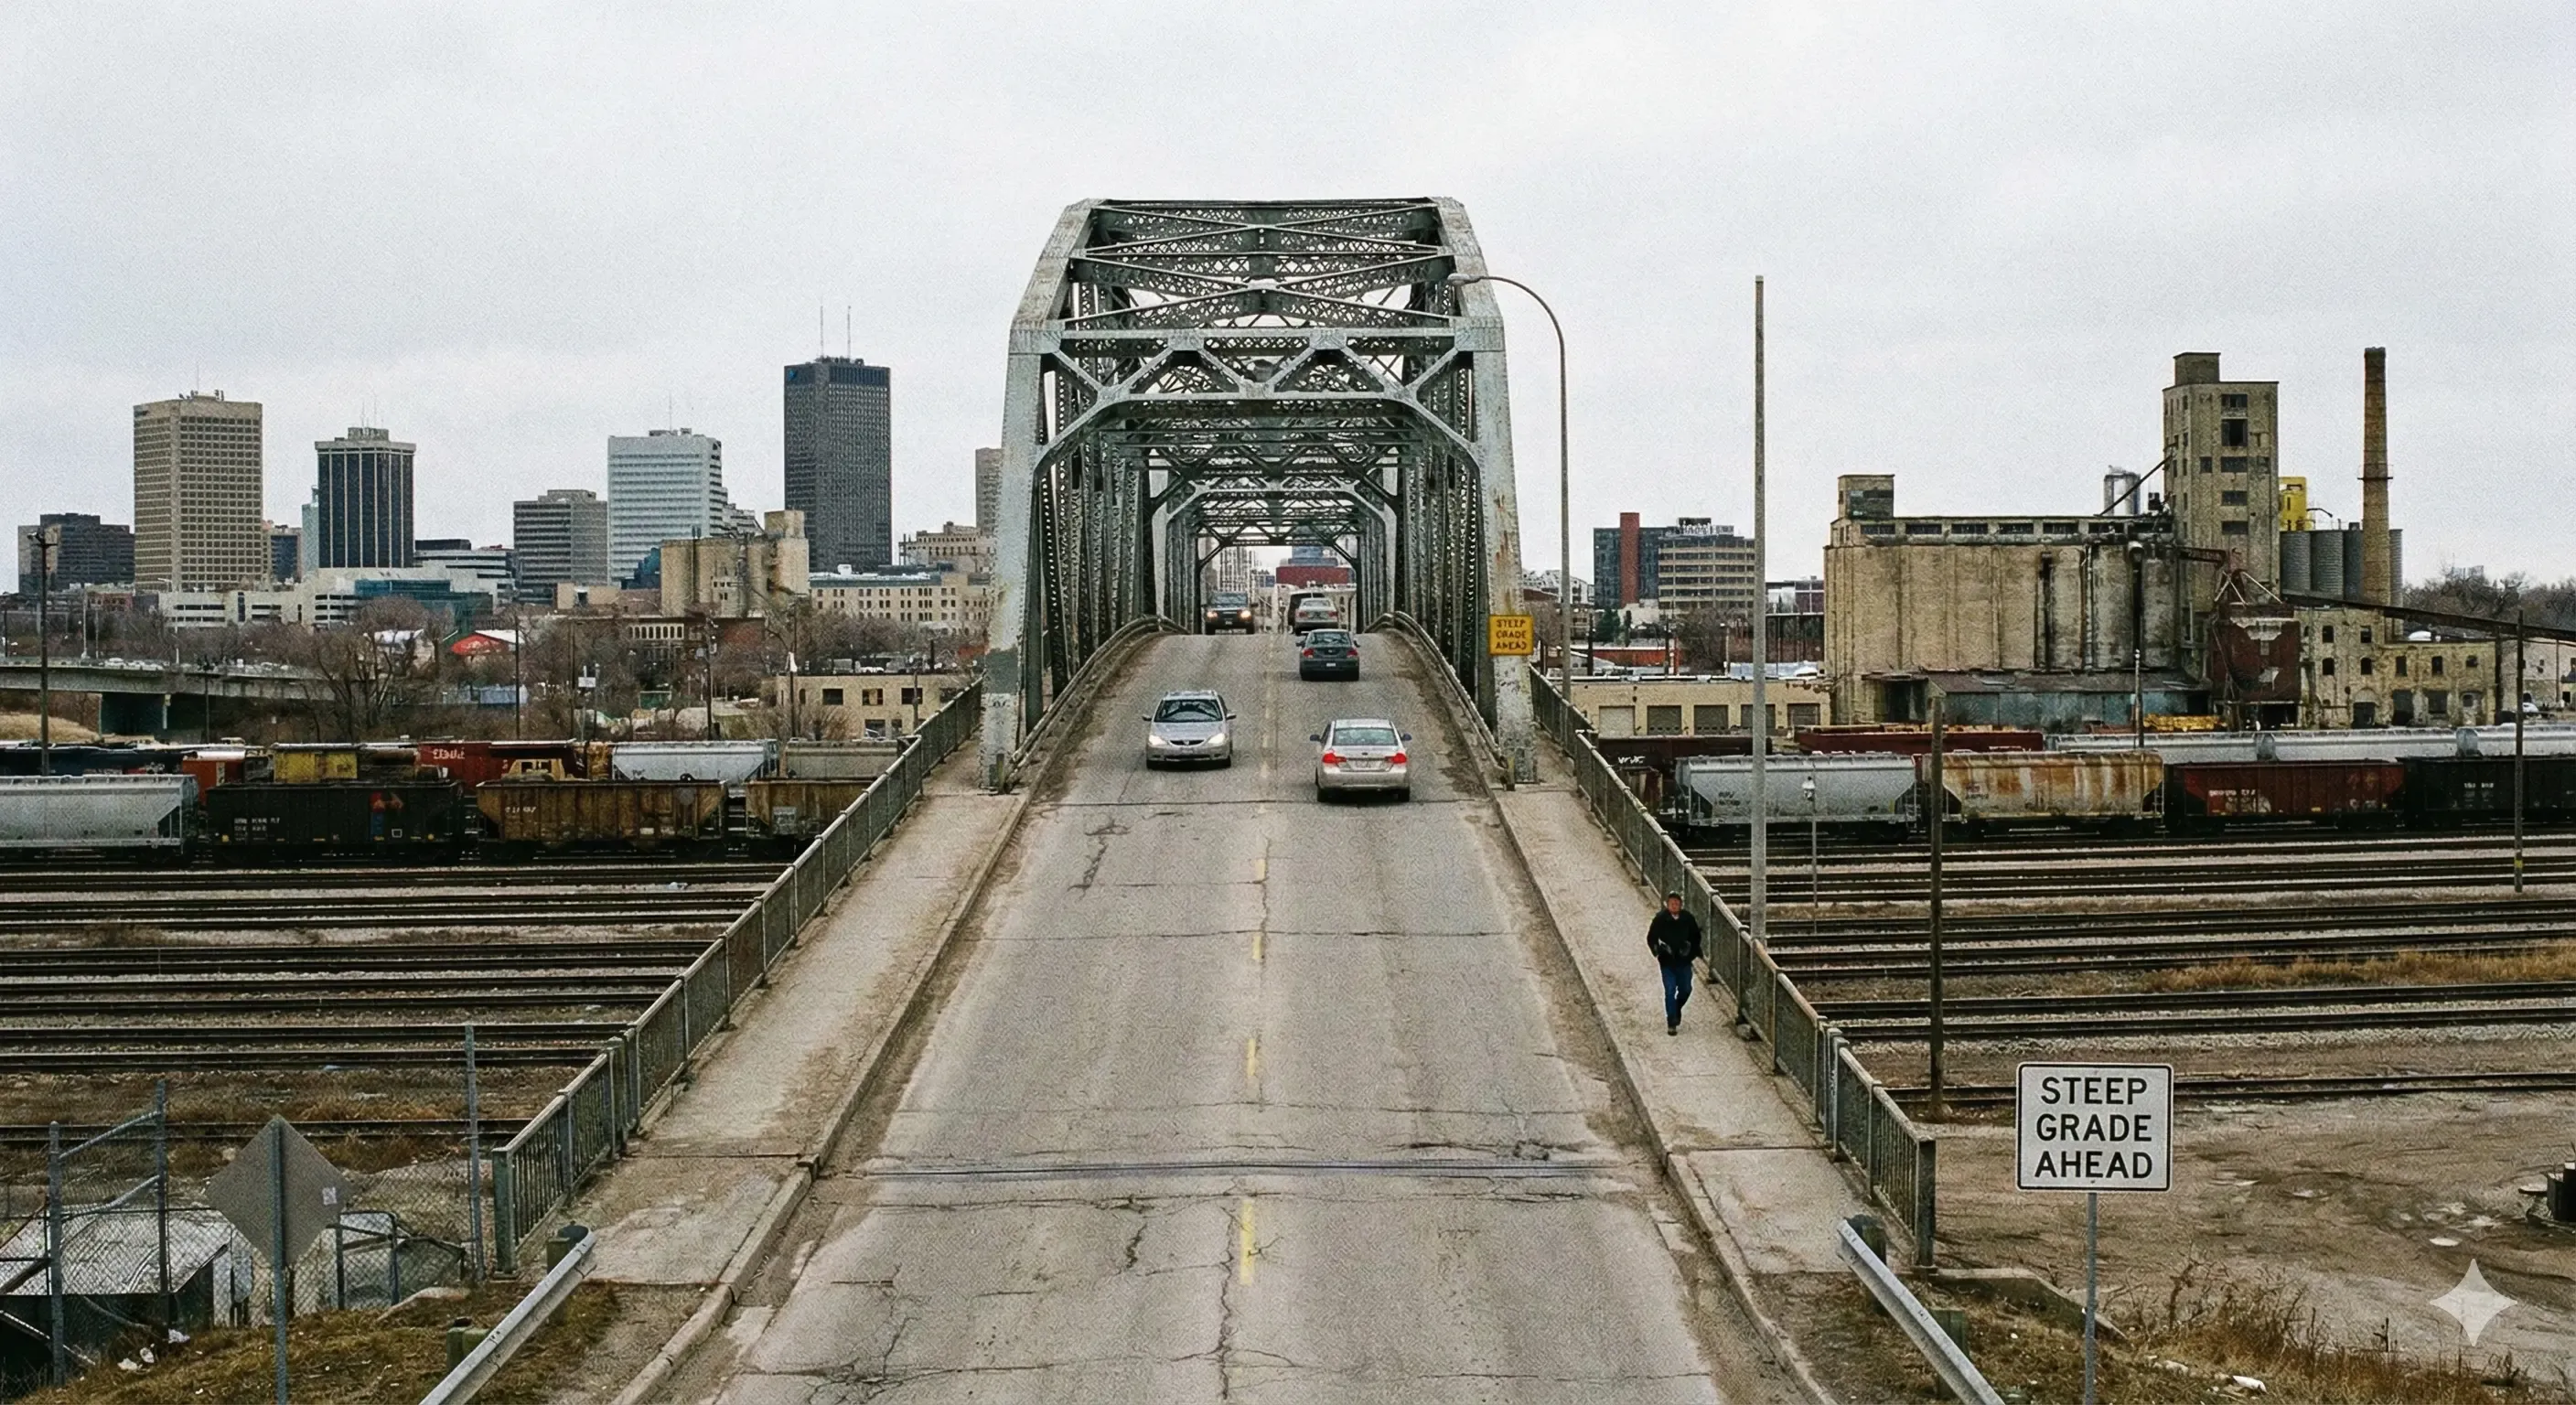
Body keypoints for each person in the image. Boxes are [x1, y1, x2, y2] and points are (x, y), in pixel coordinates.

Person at [1646, 891, 1702, 1035]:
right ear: (1667, 904)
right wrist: (1659, 950)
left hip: (1684, 962)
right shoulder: (1660, 919)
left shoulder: (1688, 918)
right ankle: (1671, 1021)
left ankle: (1676, 1009)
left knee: (1686, 989)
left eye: (1677, 903)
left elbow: (1696, 937)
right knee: (1670, 990)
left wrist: (1690, 951)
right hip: (1667, 962)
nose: (1674, 906)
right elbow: (1651, 938)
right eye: (1671, 903)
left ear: (1681, 905)